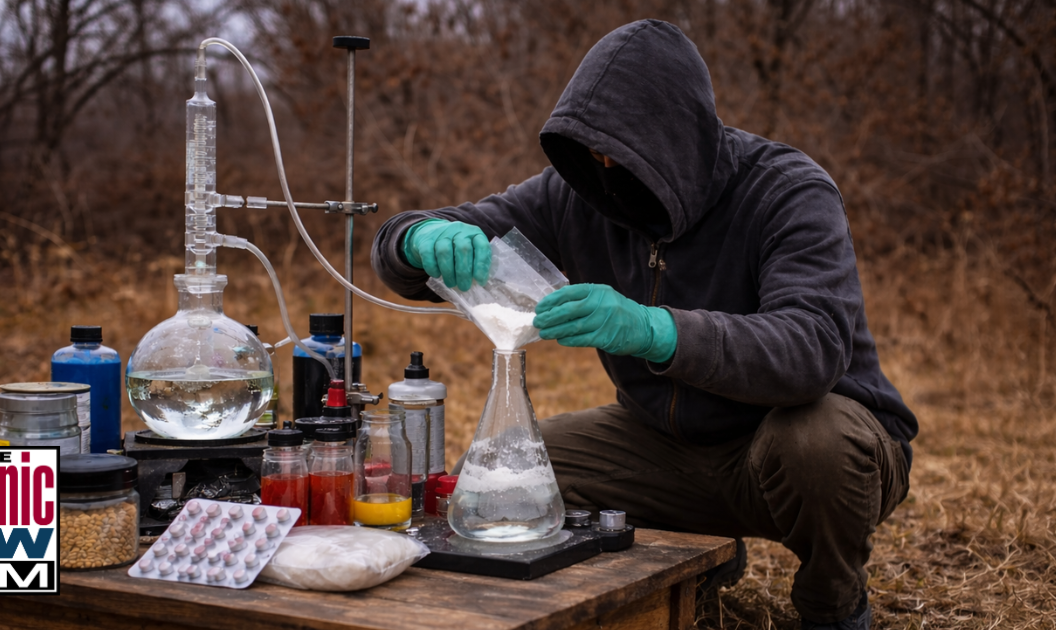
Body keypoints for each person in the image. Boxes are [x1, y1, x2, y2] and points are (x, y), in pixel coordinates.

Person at [371, 19, 914, 630]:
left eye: (624, 153)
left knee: (819, 444)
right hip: (665, 444)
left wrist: (657, 331)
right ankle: (694, 565)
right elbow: (434, 235)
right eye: (592, 152)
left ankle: (833, 607)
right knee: (510, 472)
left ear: (678, 138)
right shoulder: (579, 193)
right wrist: (416, 236)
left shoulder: (787, 191)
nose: (604, 167)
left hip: (798, 442)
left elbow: (812, 347)